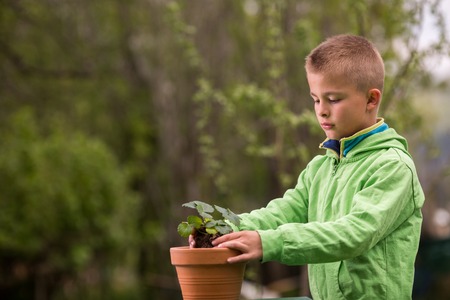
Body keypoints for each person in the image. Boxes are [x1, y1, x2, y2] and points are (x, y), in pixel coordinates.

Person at [191, 34, 425, 299]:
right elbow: (284, 211)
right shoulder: (320, 167)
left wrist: (269, 243)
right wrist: (229, 229)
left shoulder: (392, 167)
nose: (322, 111)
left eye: (333, 99)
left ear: (371, 100)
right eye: (315, 99)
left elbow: (354, 234)